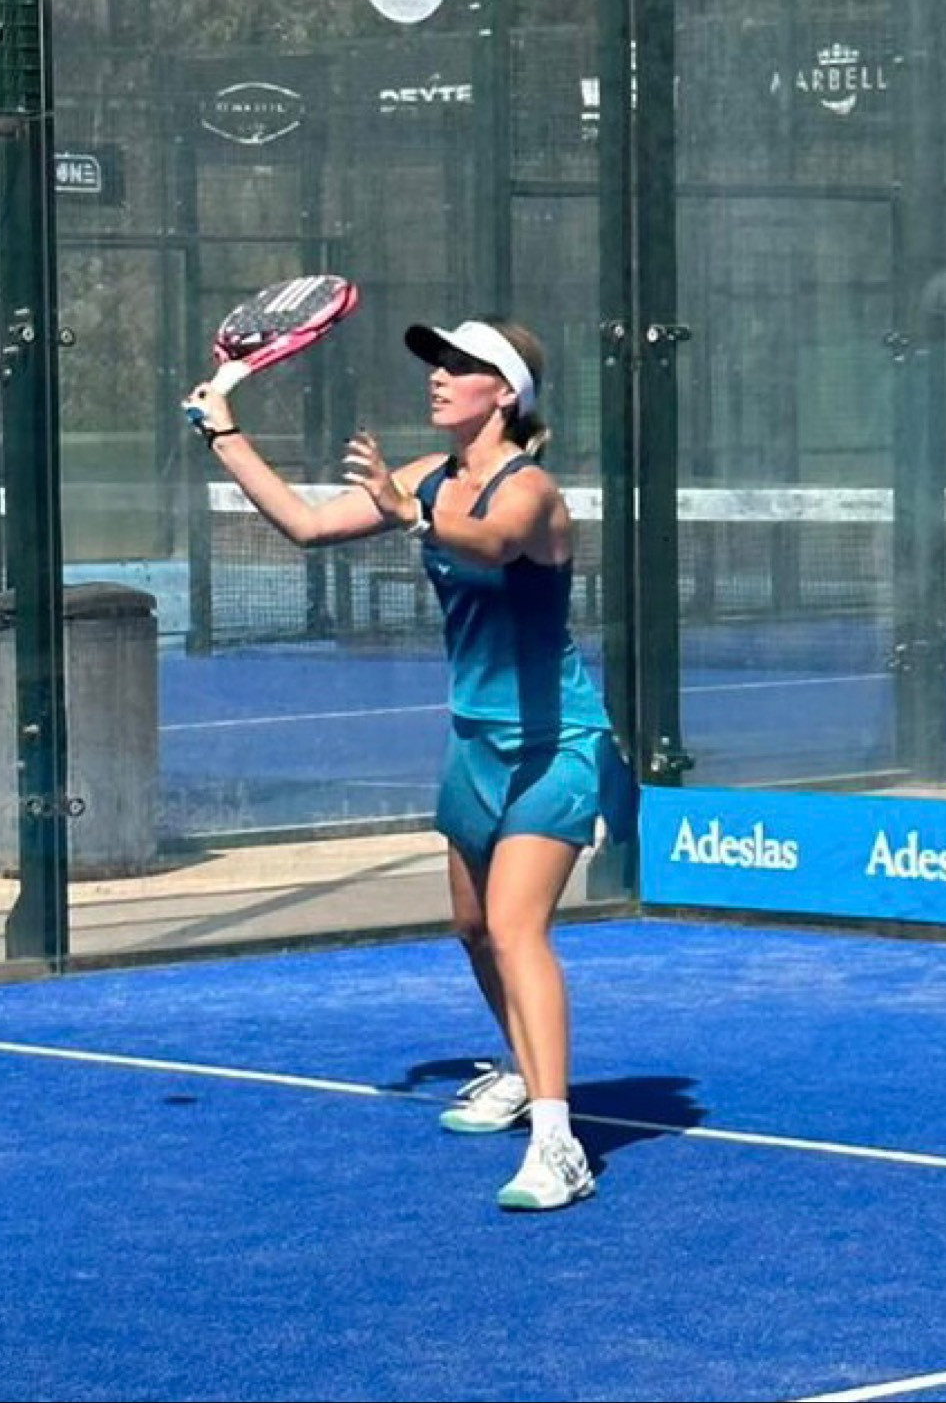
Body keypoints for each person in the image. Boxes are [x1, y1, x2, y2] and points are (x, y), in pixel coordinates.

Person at [184, 312, 634, 1214]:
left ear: (502, 394)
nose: (437, 375)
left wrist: (412, 513)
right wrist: (224, 432)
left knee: (515, 927)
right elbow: (308, 525)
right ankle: (521, 1068)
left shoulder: (533, 490)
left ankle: (558, 1143)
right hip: (473, 741)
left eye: (459, 365)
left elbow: (493, 540)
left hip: (555, 744)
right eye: (435, 361)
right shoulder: (428, 474)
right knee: (472, 928)